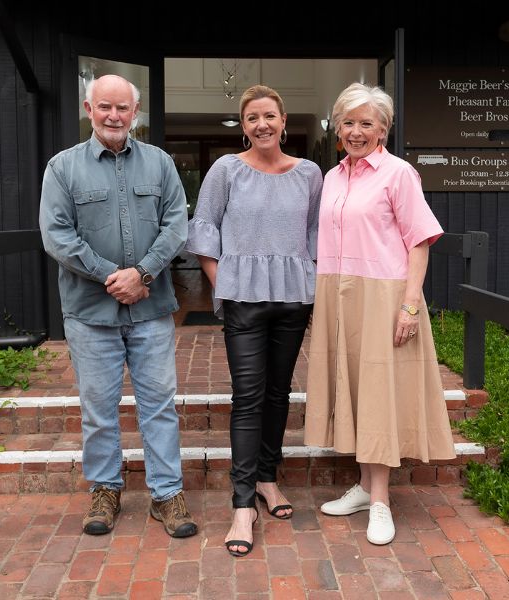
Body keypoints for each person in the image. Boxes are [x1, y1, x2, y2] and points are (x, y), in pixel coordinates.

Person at [39, 74, 197, 539]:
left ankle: (167, 494)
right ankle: (105, 490)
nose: (114, 116)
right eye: (104, 107)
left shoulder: (161, 164)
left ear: (136, 110)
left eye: (122, 108)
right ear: (89, 108)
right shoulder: (62, 169)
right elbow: (57, 235)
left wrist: (143, 274)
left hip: (151, 310)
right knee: (98, 408)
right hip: (91, 313)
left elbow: (177, 224)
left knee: (159, 405)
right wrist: (114, 276)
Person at [304, 83, 456, 546]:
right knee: (353, 387)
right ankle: (365, 486)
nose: (355, 131)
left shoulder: (399, 174)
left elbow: (419, 242)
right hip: (338, 292)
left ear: (383, 129)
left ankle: (382, 501)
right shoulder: (332, 178)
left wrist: (410, 304)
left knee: (378, 394)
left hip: (384, 295)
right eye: (347, 122)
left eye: (366, 123)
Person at [186, 85, 322, 556]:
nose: (261, 124)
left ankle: (267, 479)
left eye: (269, 115)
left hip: (292, 298)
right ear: (243, 126)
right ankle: (242, 503)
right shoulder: (226, 170)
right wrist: (224, 283)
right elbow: (204, 231)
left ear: (284, 120)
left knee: (278, 393)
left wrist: (313, 286)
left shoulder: (309, 173)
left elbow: (316, 235)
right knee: (248, 396)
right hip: (244, 299)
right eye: (251, 118)